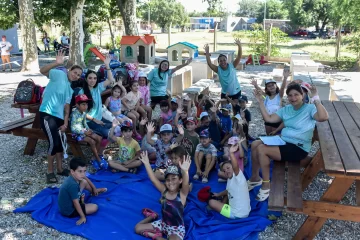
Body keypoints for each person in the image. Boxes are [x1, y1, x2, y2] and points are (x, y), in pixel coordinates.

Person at [249, 83, 329, 201]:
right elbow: (269, 119)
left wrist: (316, 97)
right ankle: (255, 178)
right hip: (283, 140)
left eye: (296, 94)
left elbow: (323, 117)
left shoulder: (310, 108)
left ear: (303, 95)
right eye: (290, 95)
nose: (293, 98)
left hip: (298, 147)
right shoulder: (286, 109)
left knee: (262, 149)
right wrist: (260, 102)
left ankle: (266, 185)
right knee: (255, 143)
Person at [39, 50, 83, 183]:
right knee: (54, 143)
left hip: (59, 118)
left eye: (79, 75)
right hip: (47, 114)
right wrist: (56, 63)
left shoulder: (70, 89)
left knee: (60, 144)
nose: (76, 75)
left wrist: (65, 122)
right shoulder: (59, 74)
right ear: (70, 70)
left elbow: (67, 106)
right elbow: (42, 71)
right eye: (75, 72)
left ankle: (59, 169)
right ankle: (50, 172)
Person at [135, 151, 191, 240]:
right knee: (137, 228)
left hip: (175, 229)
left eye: (174, 179)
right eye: (168, 180)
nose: (170, 182)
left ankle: (155, 236)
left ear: (180, 180)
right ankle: (152, 216)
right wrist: (147, 164)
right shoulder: (164, 191)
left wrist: (185, 171)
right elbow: (153, 180)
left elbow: (186, 183)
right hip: (163, 224)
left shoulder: (182, 194)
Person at [78, 55, 114, 153]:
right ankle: (100, 153)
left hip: (99, 119)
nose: (92, 80)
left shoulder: (97, 87)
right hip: (90, 122)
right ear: (86, 79)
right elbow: (82, 112)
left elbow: (110, 80)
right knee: (109, 133)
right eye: (90, 78)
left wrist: (107, 65)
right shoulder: (82, 93)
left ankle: (104, 150)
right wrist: (95, 120)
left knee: (116, 128)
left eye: (94, 78)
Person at [208, 139, 251, 219]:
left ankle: (222, 206)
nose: (226, 171)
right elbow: (228, 191)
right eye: (224, 171)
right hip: (244, 211)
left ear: (232, 167)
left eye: (228, 168)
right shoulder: (230, 179)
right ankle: (222, 203)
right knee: (227, 194)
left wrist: (231, 153)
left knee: (211, 202)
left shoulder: (238, 176)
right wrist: (218, 194)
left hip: (236, 214)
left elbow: (236, 166)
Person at [58, 157, 106, 225]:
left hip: (70, 202)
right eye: (80, 171)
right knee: (95, 207)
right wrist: (82, 217)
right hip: (69, 211)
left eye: (84, 171)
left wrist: (94, 188)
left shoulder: (73, 176)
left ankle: (94, 192)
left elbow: (85, 178)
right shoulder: (73, 185)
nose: (83, 174)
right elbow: (75, 203)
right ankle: (83, 203)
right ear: (72, 171)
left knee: (84, 181)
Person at [70, 94, 105, 170]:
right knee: (91, 141)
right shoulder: (74, 114)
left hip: (84, 131)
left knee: (99, 138)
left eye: (86, 104)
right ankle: (98, 159)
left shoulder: (83, 112)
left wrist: (88, 129)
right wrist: (84, 132)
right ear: (77, 105)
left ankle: (94, 157)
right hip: (76, 134)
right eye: (83, 104)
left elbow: (84, 123)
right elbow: (73, 128)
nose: (85, 106)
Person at [251, 69, 289, 135]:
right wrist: (255, 85)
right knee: (268, 135)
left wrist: (285, 78)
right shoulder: (267, 97)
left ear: (276, 86)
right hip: (267, 120)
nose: (271, 87)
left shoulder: (279, 96)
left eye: (272, 85)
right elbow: (260, 91)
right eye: (269, 86)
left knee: (275, 136)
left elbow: (282, 88)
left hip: (276, 121)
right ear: (267, 88)